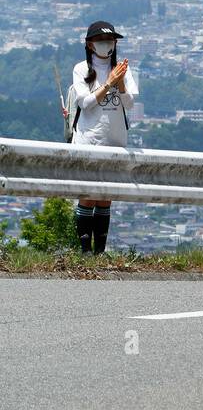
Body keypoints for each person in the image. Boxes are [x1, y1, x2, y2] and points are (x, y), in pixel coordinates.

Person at [70, 20, 138, 253]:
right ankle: (84, 250)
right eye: (100, 41)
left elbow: (129, 104)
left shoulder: (123, 69)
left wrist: (119, 84)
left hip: (115, 140)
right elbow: (85, 103)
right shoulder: (81, 69)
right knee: (88, 195)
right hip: (88, 140)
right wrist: (108, 83)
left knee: (106, 196)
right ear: (90, 44)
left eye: (109, 41)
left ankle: (100, 250)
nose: (105, 45)